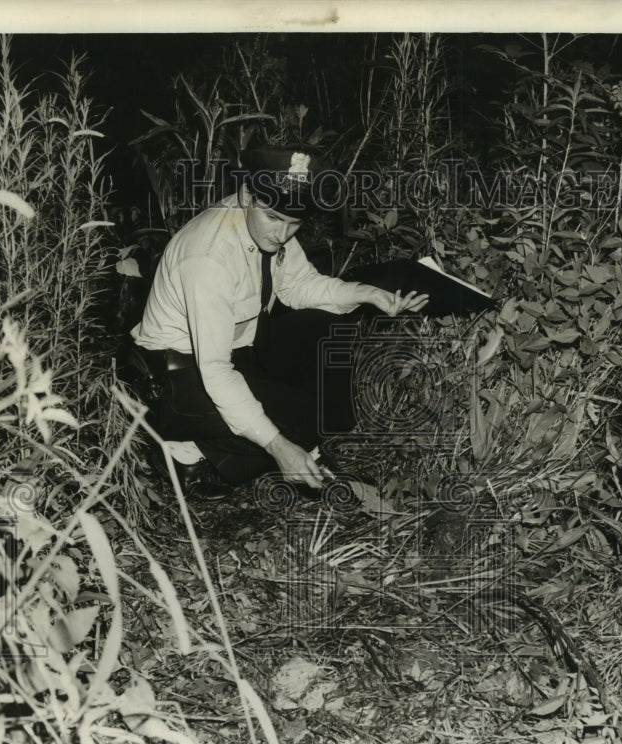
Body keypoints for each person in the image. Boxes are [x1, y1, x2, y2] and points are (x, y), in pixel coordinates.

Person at [130, 145, 428, 491]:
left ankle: (240, 443)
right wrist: (279, 446)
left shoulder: (270, 228)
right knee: (290, 429)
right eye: (273, 218)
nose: (282, 234)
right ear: (246, 195)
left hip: (239, 350)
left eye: (294, 223)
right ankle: (182, 451)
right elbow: (215, 370)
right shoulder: (209, 258)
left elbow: (300, 286)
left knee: (327, 345)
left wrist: (369, 293)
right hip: (180, 373)